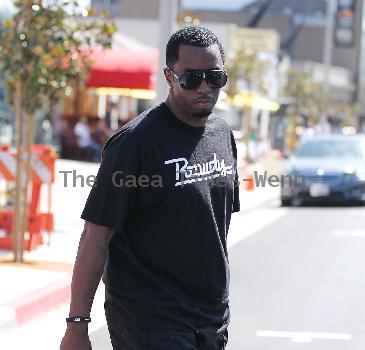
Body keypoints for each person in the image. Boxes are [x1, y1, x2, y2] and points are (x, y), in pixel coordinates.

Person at [60, 26, 240, 350]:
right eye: (191, 78)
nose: (205, 87)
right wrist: (77, 326)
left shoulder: (223, 135)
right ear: (169, 77)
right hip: (148, 319)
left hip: (211, 317)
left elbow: (214, 228)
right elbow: (94, 237)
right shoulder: (134, 143)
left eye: (214, 77)